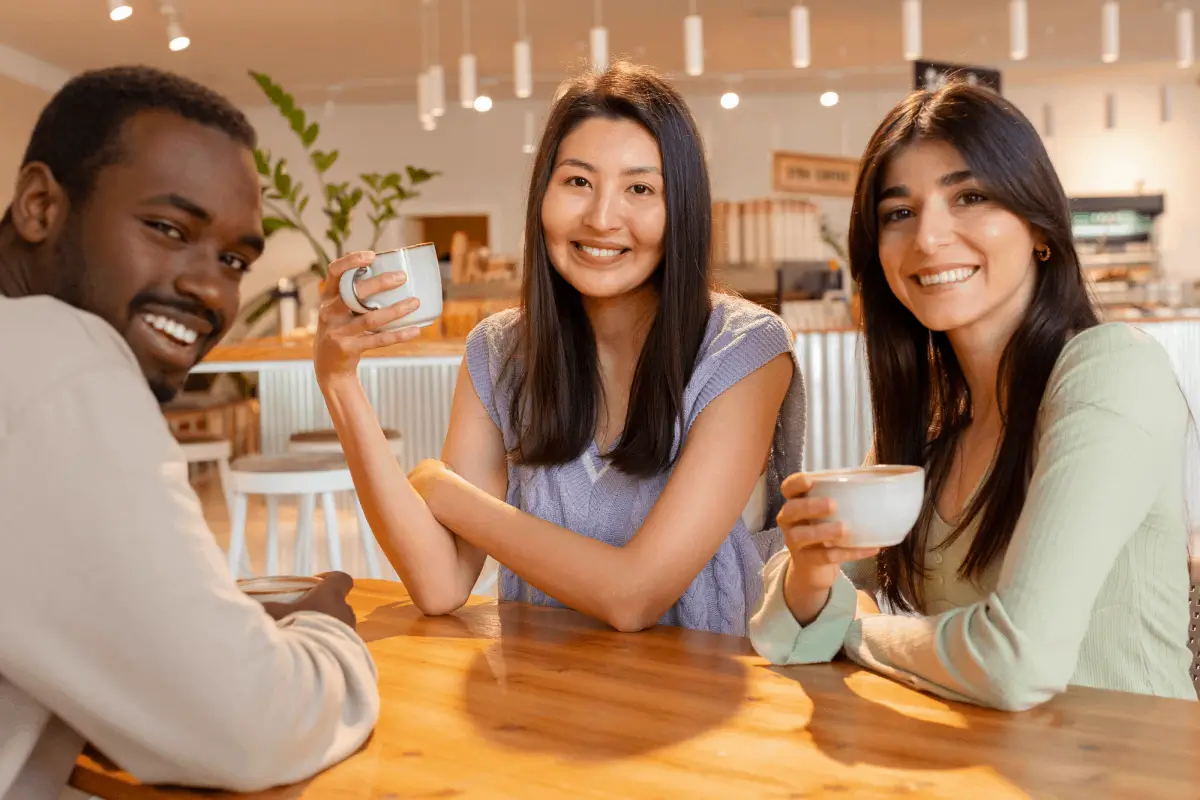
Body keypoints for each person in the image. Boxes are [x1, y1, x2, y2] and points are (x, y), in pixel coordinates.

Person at [313, 61, 806, 636]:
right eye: (578, 182)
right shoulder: (499, 351)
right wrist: (340, 383)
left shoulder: (743, 350)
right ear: (541, 196)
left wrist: (440, 488)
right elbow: (440, 584)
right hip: (541, 696)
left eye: (640, 188)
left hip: (702, 698)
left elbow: (634, 596)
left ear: (682, 212)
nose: (601, 218)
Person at [749, 83, 1196, 710]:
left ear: (1038, 227)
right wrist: (809, 567)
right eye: (898, 213)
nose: (929, 238)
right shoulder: (934, 422)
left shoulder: (1111, 369)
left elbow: (1017, 662)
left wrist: (853, 631)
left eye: (970, 197)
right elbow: (789, 640)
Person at [0, 66, 379, 797]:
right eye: (169, 229)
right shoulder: (59, 353)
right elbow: (251, 729)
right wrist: (327, 631)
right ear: (41, 206)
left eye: (234, 260)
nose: (211, 289)